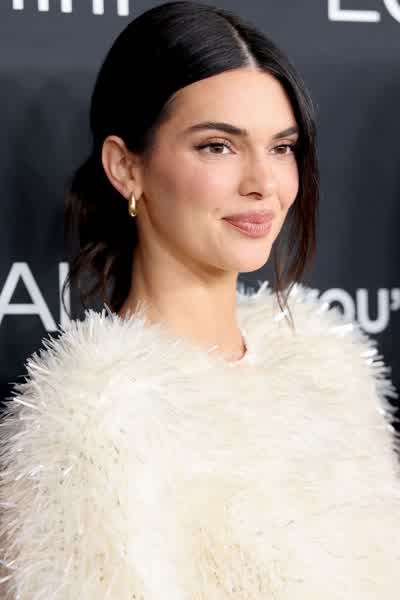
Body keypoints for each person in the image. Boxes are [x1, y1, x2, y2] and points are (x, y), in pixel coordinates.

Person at [0, 1, 399, 598]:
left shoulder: (333, 372)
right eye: (218, 146)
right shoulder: (87, 430)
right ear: (125, 167)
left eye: (282, 147)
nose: (263, 183)